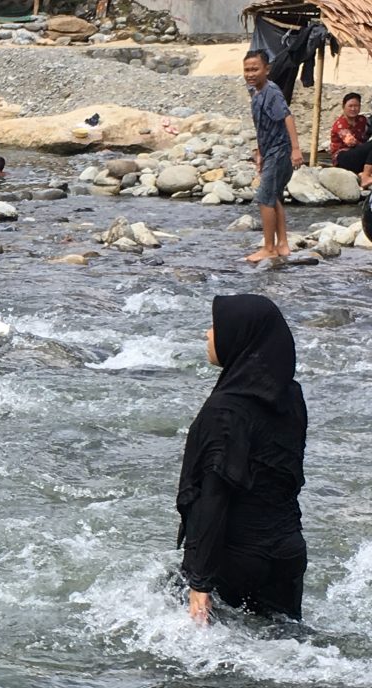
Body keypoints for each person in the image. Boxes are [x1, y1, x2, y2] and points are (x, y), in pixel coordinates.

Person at [176, 294, 308, 625]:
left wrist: (199, 581)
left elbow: (214, 494)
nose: (207, 333)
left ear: (239, 336)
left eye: (216, 326)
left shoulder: (226, 411)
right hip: (288, 553)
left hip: (234, 558)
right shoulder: (290, 397)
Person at [243, 49, 303, 263]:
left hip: (280, 150)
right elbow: (262, 127)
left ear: (266, 70)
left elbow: (287, 117)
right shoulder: (256, 93)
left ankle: (269, 248)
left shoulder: (272, 92)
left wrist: (296, 149)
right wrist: (260, 153)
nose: (250, 74)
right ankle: (283, 244)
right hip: (270, 152)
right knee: (275, 195)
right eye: (247, 70)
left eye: (255, 69)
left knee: (264, 198)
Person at [330, 92, 372, 182]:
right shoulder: (340, 124)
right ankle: (366, 176)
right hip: (343, 158)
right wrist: (367, 147)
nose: (353, 109)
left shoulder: (362, 120)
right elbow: (352, 143)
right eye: (350, 106)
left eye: (356, 106)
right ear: (343, 106)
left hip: (357, 155)